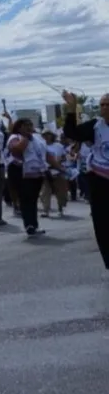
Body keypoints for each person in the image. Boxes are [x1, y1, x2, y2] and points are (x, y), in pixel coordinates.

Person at [62, 91, 109, 270]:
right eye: (102, 104)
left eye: (108, 104)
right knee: (102, 221)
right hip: (100, 178)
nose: (105, 108)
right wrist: (71, 109)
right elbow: (72, 132)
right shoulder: (96, 126)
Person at [6, 119, 63, 236]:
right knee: (26, 201)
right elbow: (17, 149)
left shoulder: (38, 139)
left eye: (30, 125)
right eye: (25, 125)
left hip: (37, 174)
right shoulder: (15, 137)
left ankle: (33, 225)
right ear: (19, 127)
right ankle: (29, 225)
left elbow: (48, 156)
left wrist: (61, 168)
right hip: (23, 175)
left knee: (32, 201)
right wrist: (25, 137)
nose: (29, 127)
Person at [40, 130, 68, 218]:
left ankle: (60, 208)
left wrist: (59, 161)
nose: (47, 136)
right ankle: (46, 210)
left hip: (57, 171)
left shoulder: (58, 146)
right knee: (45, 192)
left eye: (49, 134)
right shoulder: (41, 146)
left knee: (61, 192)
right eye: (45, 135)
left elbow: (64, 157)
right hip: (46, 171)